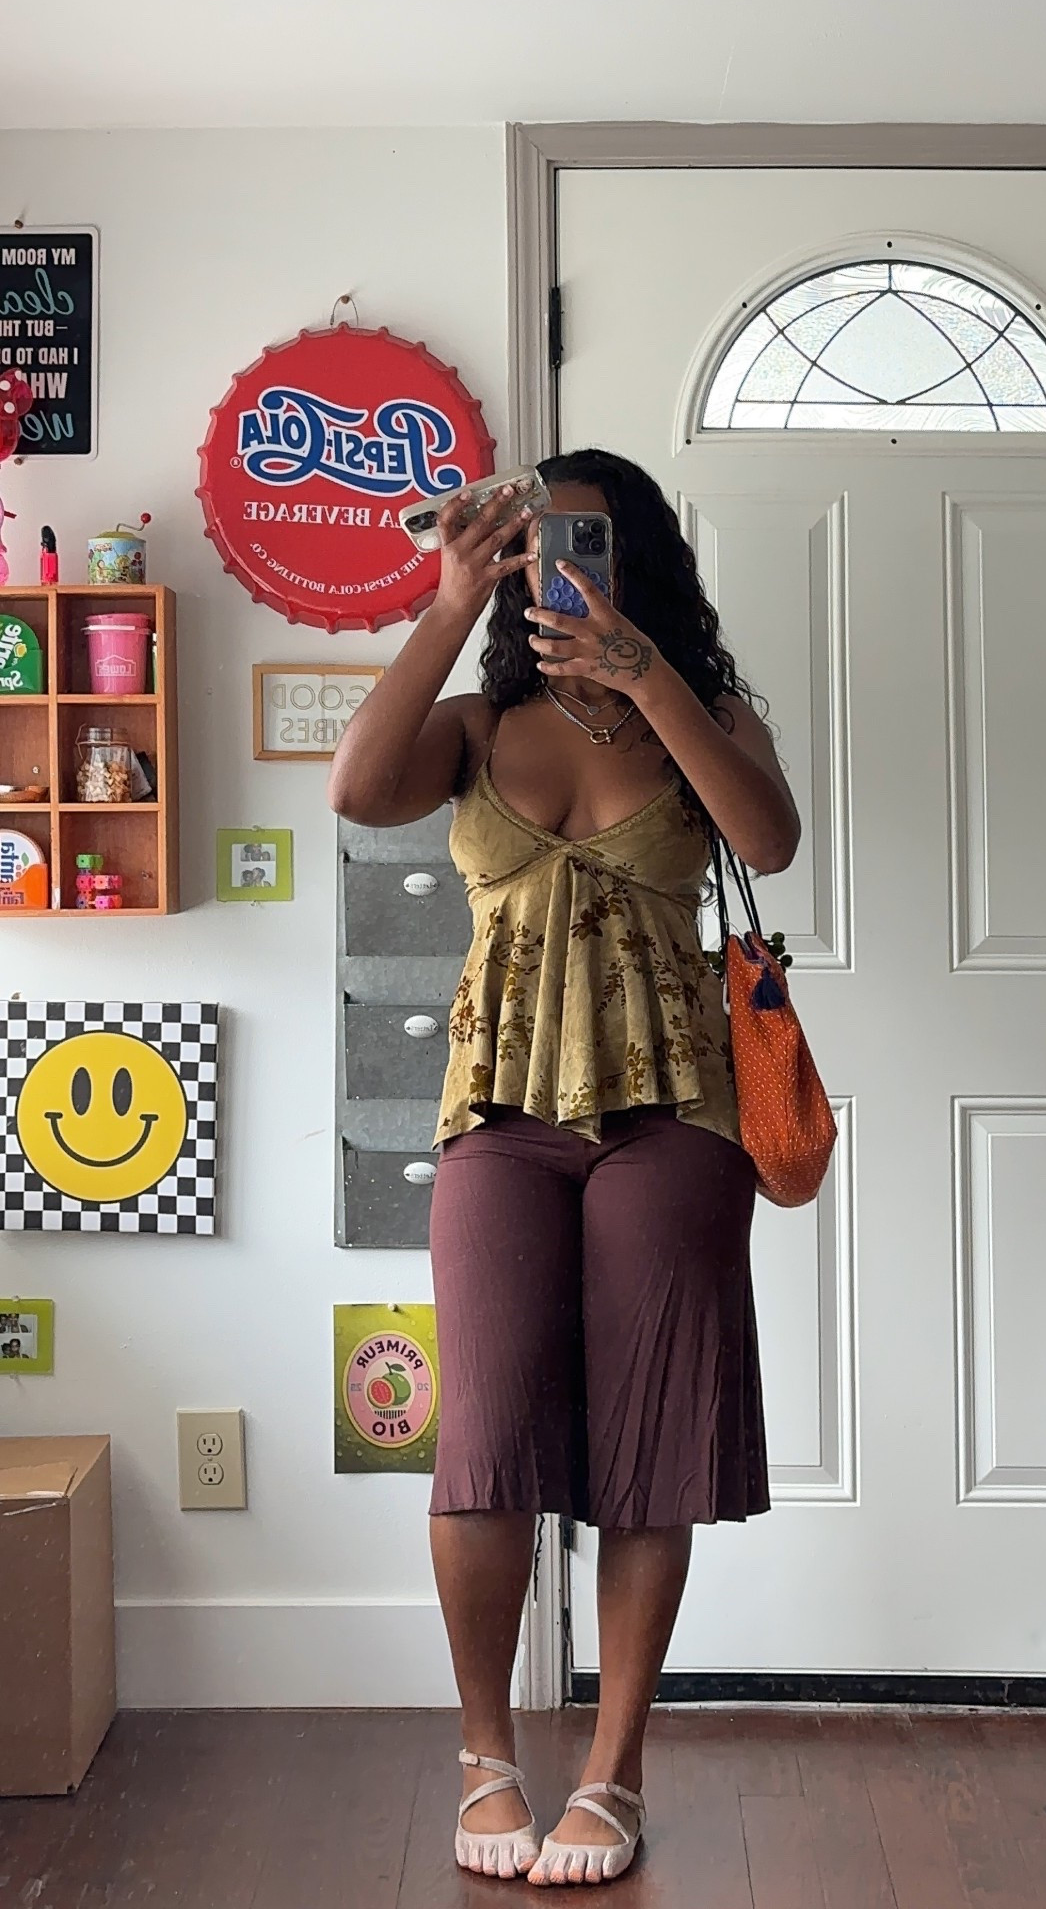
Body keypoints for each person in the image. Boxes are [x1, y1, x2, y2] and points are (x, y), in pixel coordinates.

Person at [328, 449, 800, 1887]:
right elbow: (357, 789)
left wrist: (643, 671)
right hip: (499, 1116)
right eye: (530, 545)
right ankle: (488, 1757)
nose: (553, 563)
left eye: (577, 539)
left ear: (630, 553)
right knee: (482, 1438)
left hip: (679, 1111)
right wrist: (443, 601)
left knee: (651, 1444)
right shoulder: (478, 726)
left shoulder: (697, 711)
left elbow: (770, 841)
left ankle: (614, 1771)